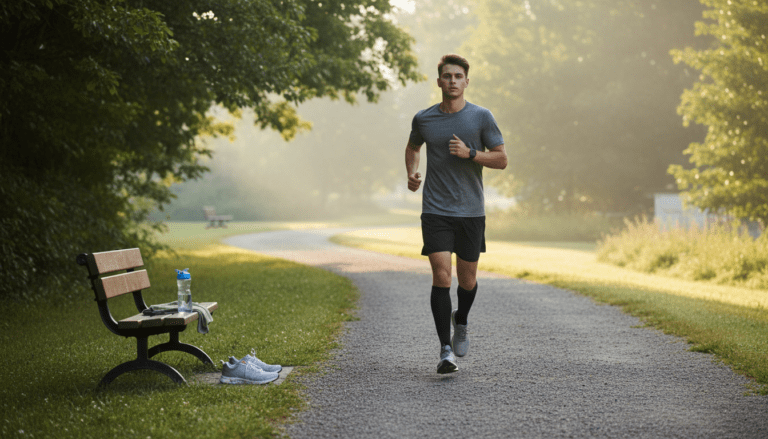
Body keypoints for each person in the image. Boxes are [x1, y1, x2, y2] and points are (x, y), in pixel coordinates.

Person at [405, 54, 507, 374]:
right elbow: (413, 147)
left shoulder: (481, 117)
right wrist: (412, 172)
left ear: (466, 81)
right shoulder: (424, 119)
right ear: (438, 82)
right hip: (435, 209)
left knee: (467, 279)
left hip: (471, 212)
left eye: (457, 76)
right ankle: (445, 349)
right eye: (446, 76)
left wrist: (471, 153)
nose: (452, 81)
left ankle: (460, 320)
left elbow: (502, 159)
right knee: (441, 274)